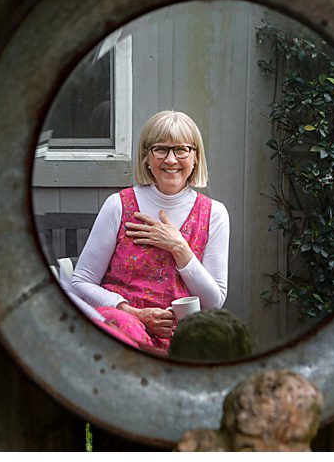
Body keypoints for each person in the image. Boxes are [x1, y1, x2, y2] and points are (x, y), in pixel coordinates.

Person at [69, 110, 230, 354]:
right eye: (161, 149)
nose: (171, 160)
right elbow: (81, 282)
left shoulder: (214, 214)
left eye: (181, 149)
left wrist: (179, 247)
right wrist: (135, 314)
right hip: (122, 329)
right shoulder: (119, 205)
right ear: (146, 156)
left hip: (181, 336)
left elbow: (213, 302)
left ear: (196, 157)